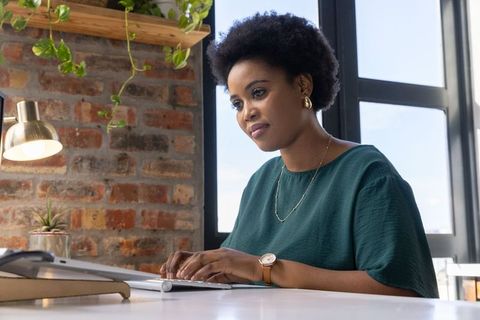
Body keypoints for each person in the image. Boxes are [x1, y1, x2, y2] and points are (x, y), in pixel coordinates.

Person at [159, 12, 439, 298]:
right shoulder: (261, 181)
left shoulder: (367, 173)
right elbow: (235, 268)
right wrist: (200, 269)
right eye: (236, 104)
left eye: (258, 92)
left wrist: (262, 269)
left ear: (303, 86)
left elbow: (402, 293)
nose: (247, 113)